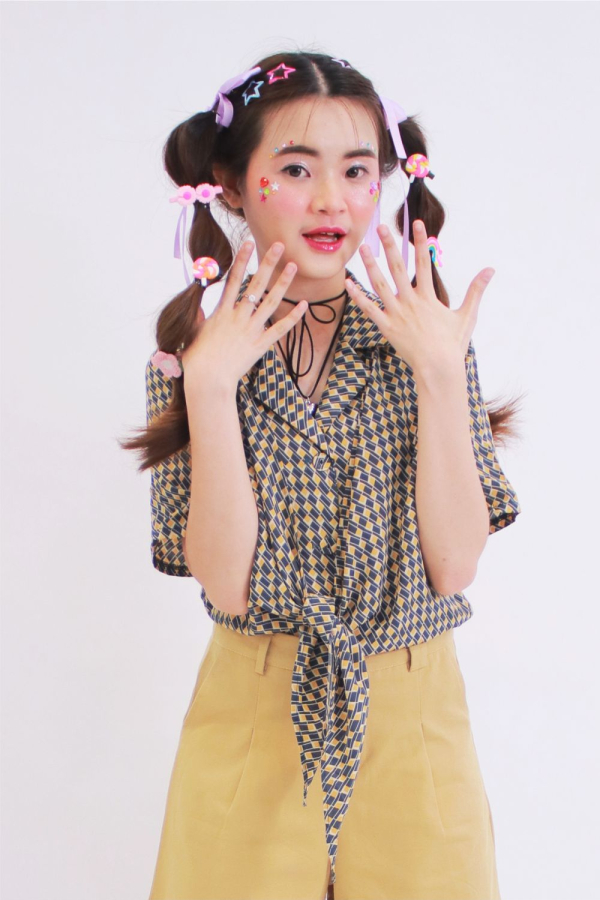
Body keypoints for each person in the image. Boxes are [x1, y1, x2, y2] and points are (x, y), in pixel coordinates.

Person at [121, 49, 522, 900]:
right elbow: (227, 584)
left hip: (414, 719)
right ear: (233, 186)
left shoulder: (429, 340)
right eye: (296, 169)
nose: (332, 200)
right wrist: (212, 389)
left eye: (357, 170)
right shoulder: (193, 358)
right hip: (253, 711)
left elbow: (455, 564)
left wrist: (440, 374)